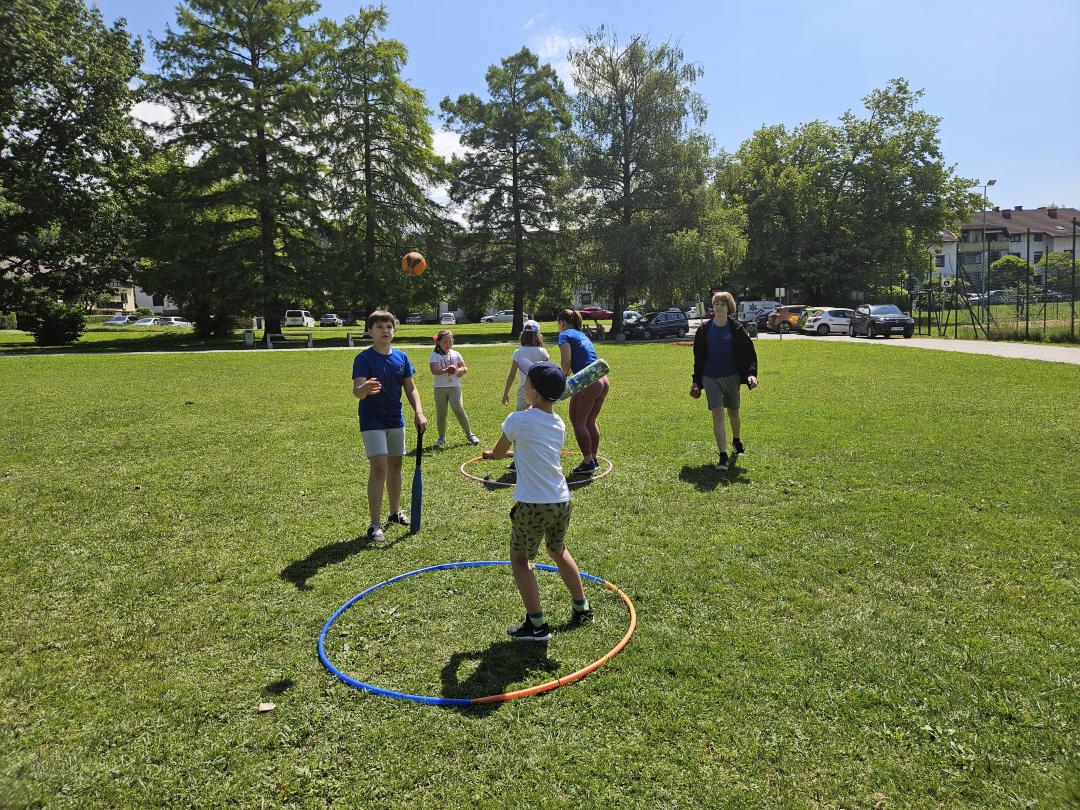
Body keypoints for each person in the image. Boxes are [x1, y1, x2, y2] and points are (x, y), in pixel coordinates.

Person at [484, 362, 592, 641]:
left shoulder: (518, 420)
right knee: (558, 550)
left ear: (533, 391)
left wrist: (493, 454)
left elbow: (498, 453)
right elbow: (535, 448)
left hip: (533, 504)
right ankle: (582, 607)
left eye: (527, 383)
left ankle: (537, 624)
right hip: (561, 500)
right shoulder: (558, 423)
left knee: (520, 559)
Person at [352, 309, 427, 542]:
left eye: (389, 327)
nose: (385, 330)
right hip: (372, 420)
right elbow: (358, 391)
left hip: (396, 419)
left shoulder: (402, 357)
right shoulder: (363, 358)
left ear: (394, 331)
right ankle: (374, 524)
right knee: (379, 469)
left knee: (396, 467)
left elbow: (411, 387)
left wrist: (419, 412)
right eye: (379, 327)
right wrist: (364, 390)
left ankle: (394, 512)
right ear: (370, 333)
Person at [691, 291, 759, 471]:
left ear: (729, 307)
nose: (719, 306)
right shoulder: (704, 330)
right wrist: (696, 381)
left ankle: (736, 440)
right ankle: (723, 456)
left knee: (734, 414)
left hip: (732, 375)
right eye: (716, 303)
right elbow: (698, 357)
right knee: (718, 414)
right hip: (710, 376)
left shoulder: (736, 329)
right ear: (712, 307)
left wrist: (751, 374)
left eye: (722, 303)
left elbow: (749, 354)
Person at [556, 308, 608, 475]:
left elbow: (566, 362)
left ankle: (588, 462)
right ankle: (593, 458)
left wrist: (562, 377)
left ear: (561, 323)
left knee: (578, 422)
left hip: (587, 381)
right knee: (590, 421)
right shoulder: (581, 334)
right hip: (602, 379)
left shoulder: (564, 335)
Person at [428, 329, 479, 448]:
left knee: (458, 409)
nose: (448, 344)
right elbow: (434, 370)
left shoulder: (456, 353)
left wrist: (462, 370)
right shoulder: (434, 355)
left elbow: (464, 367)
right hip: (440, 388)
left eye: (450, 341)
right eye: (445, 342)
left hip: (454, 386)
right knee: (441, 413)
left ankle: (469, 434)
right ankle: (441, 438)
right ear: (439, 342)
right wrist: (446, 370)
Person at [501, 320, 550, 411]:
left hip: (523, 390)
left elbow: (512, 375)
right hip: (539, 390)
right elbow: (546, 374)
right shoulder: (543, 352)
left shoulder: (518, 352)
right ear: (538, 335)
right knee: (538, 415)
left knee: (522, 416)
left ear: (523, 335)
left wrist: (506, 393)